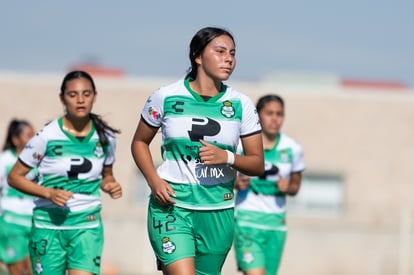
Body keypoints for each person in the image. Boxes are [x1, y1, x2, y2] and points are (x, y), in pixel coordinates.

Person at [131, 26, 264, 275]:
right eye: (220, 51)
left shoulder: (241, 104)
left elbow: (258, 164)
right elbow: (139, 142)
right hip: (172, 205)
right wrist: (153, 181)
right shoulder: (165, 96)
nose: (229, 59)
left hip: (218, 212)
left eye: (233, 53)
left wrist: (227, 157)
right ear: (198, 56)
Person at [7, 70, 123, 275]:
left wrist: (110, 184)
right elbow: (14, 177)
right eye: (73, 95)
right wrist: (49, 193)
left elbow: (107, 175)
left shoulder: (106, 137)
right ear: (62, 98)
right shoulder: (46, 136)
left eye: (86, 94)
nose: (80, 100)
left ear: (94, 96)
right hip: (48, 225)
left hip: (86, 224)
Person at [233, 94, 305, 275]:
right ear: (258, 116)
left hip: (275, 224)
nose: (275, 119)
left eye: (279, 114)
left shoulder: (292, 148)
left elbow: (296, 186)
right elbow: (222, 176)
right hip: (247, 221)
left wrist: (287, 188)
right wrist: (235, 183)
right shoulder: (242, 145)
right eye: (269, 113)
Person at [0, 119, 36, 275]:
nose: (33, 139)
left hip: (34, 221)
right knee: (18, 271)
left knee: (36, 269)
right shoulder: (5, 160)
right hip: (12, 221)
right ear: (15, 139)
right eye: (29, 135)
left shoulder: (37, 160)